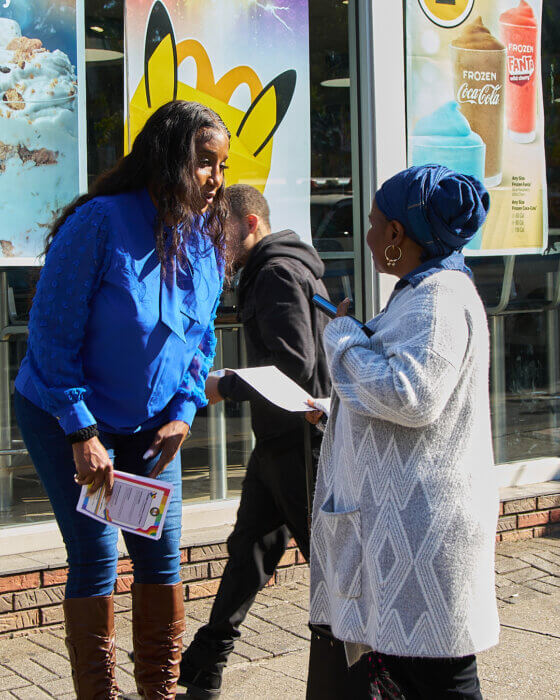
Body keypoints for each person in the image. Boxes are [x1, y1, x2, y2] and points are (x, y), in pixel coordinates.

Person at [14, 100, 229, 699]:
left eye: (221, 165)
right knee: (96, 554)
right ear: (168, 159)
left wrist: (185, 412)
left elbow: (200, 340)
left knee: (161, 558)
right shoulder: (101, 223)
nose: (216, 180)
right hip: (66, 415)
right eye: (204, 163)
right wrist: (82, 434)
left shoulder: (205, 240)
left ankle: (159, 694)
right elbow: (50, 336)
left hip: (153, 427)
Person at [307, 165, 499, 699]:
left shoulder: (438, 298)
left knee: (440, 681)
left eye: (372, 223)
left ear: (396, 234)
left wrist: (342, 336)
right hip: (411, 535)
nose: (365, 236)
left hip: (427, 540)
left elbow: (410, 396)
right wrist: (334, 410)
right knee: (416, 679)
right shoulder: (422, 293)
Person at [179, 183, 331, 698]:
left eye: (219, 232)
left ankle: (360, 671)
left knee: (331, 567)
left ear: (250, 222)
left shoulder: (274, 272)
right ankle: (205, 664)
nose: (214, 245)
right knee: (248, 555)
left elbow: (295, 365)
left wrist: (224, 385)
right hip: (280, 443)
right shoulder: (283, 266)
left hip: (302, 448)